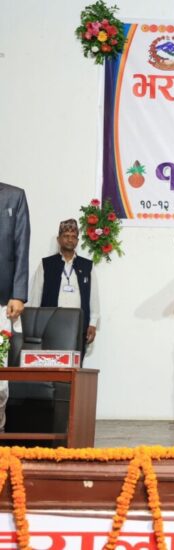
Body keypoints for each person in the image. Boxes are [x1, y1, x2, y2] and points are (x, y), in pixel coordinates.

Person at [29, 219, 99, 357]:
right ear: (58, 239)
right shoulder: (46, 264)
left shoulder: (87, 266)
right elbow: (36, 296)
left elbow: (93, 297)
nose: (70, 240)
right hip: (50, 325)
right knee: (50, 363)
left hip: (78, 327)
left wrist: (93, 323)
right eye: (66, 236)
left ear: (77, 241)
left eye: (73, 237)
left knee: (75, 365)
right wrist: (33, 325)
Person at [0, 182, 30, 432]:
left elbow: (21, 244)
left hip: (2, 301)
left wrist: (18, 294)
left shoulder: (14, 196)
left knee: (0, 379)